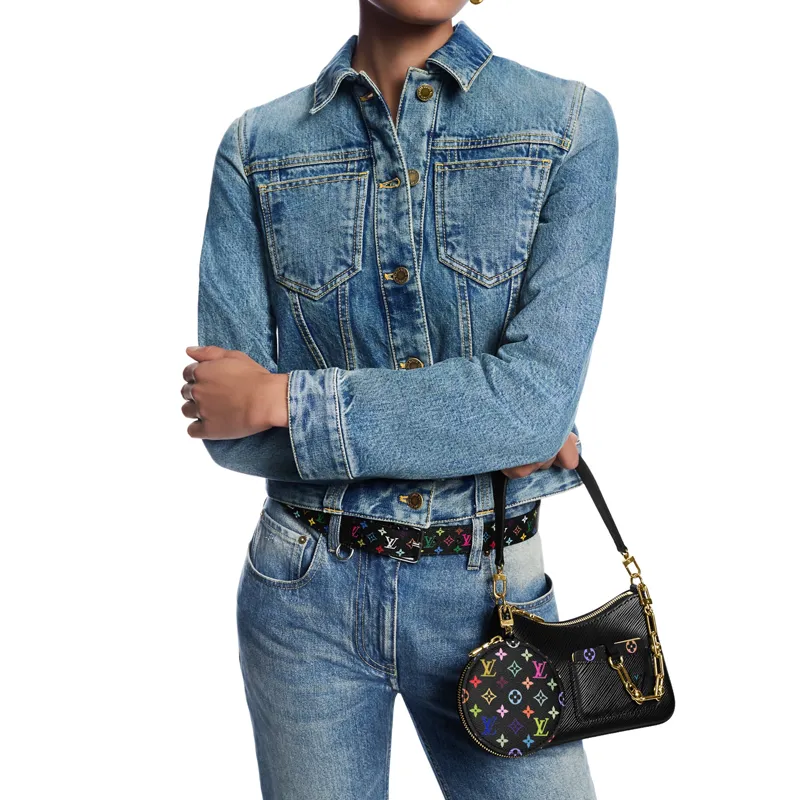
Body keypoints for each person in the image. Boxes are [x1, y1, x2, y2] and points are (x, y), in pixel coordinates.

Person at [181, 1, 617, 797]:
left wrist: (284, 398)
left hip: (492, 596)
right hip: (302, 595)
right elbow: (229, 427)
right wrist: (478, 426)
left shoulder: (568, 125)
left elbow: (530, 409)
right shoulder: (257, 148)